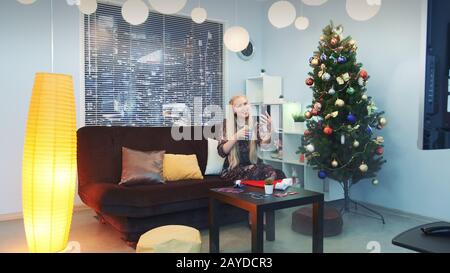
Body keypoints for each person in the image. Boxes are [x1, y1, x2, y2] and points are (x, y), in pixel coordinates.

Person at [217, 95, 286, 181]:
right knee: (268, 172)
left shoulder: (254, 123)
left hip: (253, 165)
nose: (244, 107)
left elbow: (263, 144)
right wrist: (237, 136)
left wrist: (270, 130)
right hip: (234, 169)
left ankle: (267, 194)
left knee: (280, 174)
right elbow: (222, 152)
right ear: (233, 110)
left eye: (245, 104)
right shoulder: (226, 124)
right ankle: (264, 193)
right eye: (239, 105)